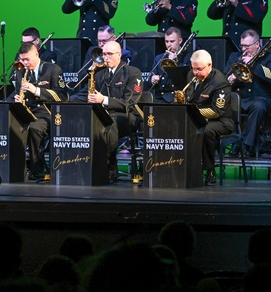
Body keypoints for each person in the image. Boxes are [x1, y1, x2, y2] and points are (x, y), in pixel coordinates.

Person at [68, 40, 143, 184]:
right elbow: (86, 94)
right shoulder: (99, 74)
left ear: (119, 55)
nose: (106, 57)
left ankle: (110, 168)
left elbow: (130, 103)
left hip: (127, 116)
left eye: (109, 54)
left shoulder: (133, 73)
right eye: (104, 54)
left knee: (109, 124)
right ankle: (82, 166)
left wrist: (104, 99)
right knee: (87, 120)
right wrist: (67, 101)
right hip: (104, 115)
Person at [10, 42, 66, 180]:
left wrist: (36, 90)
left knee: (34, 128)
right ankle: (14, 168)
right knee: (9, 124)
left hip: (46, 113)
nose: (24, 63)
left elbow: (62, 96)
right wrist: (18, 99)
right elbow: (18, 94)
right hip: (26, 112)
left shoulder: (52, 69)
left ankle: (38, 169)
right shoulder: (20, 73)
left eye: (27, 59)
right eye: (22, 60)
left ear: (36, 54)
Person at [179, 49, 233, 185]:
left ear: (209, 65)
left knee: (207, 130)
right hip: (197, 116)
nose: (196, 73)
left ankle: (210, 170)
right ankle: (180, 167)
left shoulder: (220, 82)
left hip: (221, 121)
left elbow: (217, 111)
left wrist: (192, 112)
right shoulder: (192, 74)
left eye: (199, 69)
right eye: (194, 68)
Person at [225, 30, 271, 157]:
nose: (244, 49)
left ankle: (247, 146)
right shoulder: (234, 56)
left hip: (260, 98)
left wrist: (254, 65)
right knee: (222, 104)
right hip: (240, 98)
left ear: (257, 44)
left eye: (247, 46)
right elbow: (224, 77)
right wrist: (231, 78)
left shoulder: (270, 57)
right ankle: (233, 142)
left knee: (258, 108)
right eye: (242, 45)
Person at [146, 27, 188, 103]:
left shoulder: (187, 56)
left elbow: (184, 80)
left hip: (176, 98)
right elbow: (149, 80)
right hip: (159, 97)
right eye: (167, 41)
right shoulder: (159, 57)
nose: (169, 44)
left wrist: (175, 61)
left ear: (180, 40)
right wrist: (152, 79)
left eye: (172, 41)